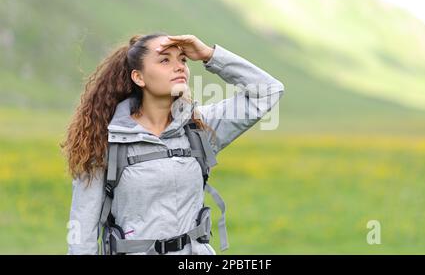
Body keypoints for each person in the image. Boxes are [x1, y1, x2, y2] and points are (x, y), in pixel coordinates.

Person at [61, 32, 285, 254]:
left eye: (183, 59)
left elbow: (268, 91)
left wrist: (209, 55)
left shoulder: (200, 127)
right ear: (138, 77)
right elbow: (82, 238)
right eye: (165, 60)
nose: (179, 67)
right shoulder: (106, 141)